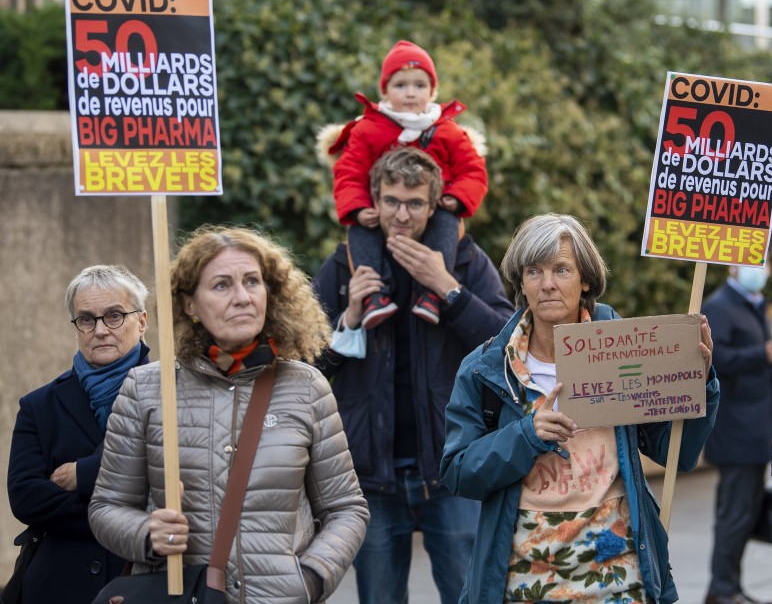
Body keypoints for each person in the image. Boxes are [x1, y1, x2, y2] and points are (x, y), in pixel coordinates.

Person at [441, 213, 721, 604]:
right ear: (521, 282)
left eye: (561, 269)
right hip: (525, 582)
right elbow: (457, 473)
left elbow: (676, 453)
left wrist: (699, 384)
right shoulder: (485, 367)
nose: (548, 284)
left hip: (619, 580)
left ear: (585, 279)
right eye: (534, 271)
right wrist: (525, 436)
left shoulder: (624, 351)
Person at [88, 226, 369, 604]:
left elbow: (346, 509)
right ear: (190, 304)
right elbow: (106, 508)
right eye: (221, 285)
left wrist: (311, 578)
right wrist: (146, 534)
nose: (242, 297)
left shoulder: (307, 388)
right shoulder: (145, 388)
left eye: (252, 281)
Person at [313, 148, 514, 604]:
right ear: (375, 202)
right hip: (371, 476)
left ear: (436, 203)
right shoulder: (345, 263)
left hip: (454, 472)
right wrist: (348, 318)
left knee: (473, 596)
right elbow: (305, 366)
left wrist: (449, 289)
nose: (401, 215)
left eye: (414, 203)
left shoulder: (464, 259)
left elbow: (508, 350)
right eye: (391, 202)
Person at [320, 39, 489, 328]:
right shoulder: (368, 129)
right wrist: (359, 208)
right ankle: (374, 295)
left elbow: (473, 170)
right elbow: (349, 172)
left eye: (419, 85)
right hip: (375, 217)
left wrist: (456, 198)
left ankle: (432, 294)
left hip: (437, 211)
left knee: (447, 224)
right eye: (400, 85)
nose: (410, 93)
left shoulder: (448, 131)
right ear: (384, 90)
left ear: (433, 91)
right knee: (360, 232)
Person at [6, 265, 149, 603]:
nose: (100, 330)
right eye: (87, 319)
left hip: (142, 583)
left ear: (141, 321)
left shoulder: (173, 395)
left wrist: (82, 476)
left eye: (114, 316)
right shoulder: (40, 405)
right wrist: (126, 515)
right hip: (57, 585)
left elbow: (178, 481)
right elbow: (27, 497)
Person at [702, 265, 772, 604]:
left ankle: (730, 588)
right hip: (735, 433)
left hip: (754, 432)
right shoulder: (720, 306)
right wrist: (761, 354)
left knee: (745, 514)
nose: (761, 270)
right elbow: (712, 359)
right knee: (735, 515)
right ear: (732, 266)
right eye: (753, 263)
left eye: (764, 262)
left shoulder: (753, 304)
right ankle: (721, 591)